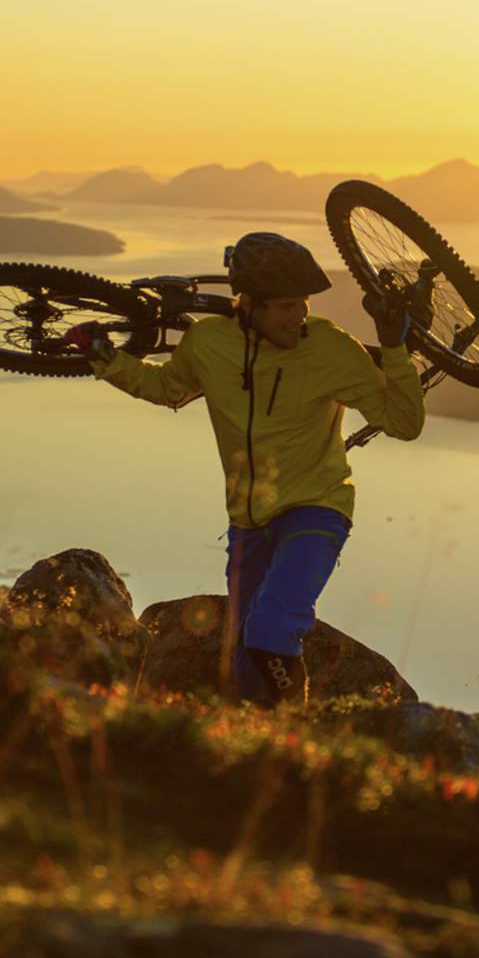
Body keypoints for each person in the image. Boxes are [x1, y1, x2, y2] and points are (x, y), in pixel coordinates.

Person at [64, 232, 424, 708]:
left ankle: (289, 737)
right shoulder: (209, 342)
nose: (298, 317)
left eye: (302, 304)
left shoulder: (331, 348)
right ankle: (253, 741)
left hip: (316, 509)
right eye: (284, 307)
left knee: (273, 626)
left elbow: (403, 422)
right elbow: (167, 388)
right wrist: (104, 358)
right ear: (249, 304)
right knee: (242, 650)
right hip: (247, 520)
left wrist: (394, 351)